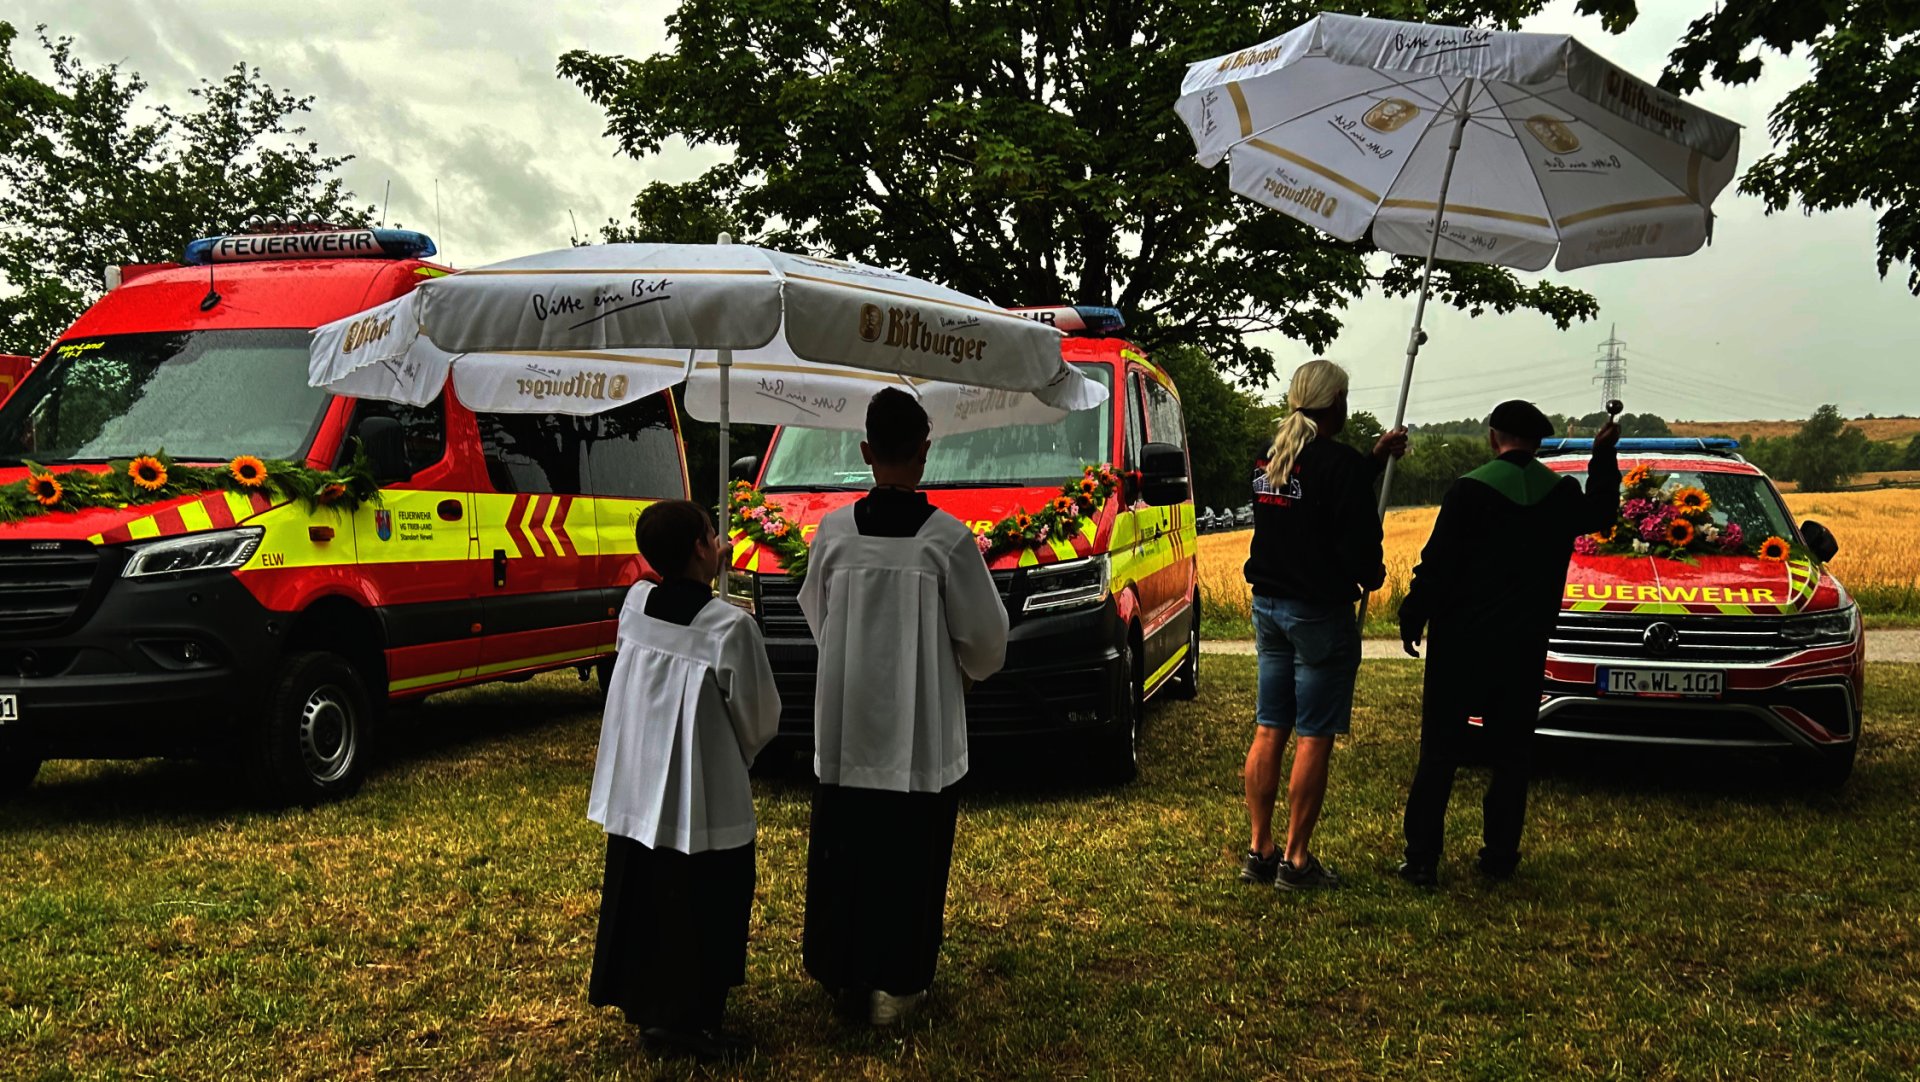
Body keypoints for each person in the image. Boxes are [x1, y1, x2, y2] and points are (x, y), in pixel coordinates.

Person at [798, 387, 1009, 1026]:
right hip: (919, 731)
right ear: (924, 451)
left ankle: (842, 971)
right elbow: (986, 638)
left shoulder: (833, 533)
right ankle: (898, 981)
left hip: (846, 722)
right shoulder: (946, 540)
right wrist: (962, 672)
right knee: (910, 856)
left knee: (846, 851)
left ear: (866, 452)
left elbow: (817, 615)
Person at [586, 499, 782, 1059]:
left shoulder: (636, 605)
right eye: (712, 534)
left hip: (637, 787)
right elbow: (760, 718)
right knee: (704, 901)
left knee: (647, 896)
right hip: (704, 795)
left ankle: (650, 1007)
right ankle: (692, 1021)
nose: (719, 541)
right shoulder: (730, 627)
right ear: (701, 547)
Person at [1396, 401, 1621, 886]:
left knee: (1440, 751)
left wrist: (1413, 615)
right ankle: (1499, 855)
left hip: (1460, 642)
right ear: (1538, 443)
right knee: (1512, 753)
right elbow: (1603, 510)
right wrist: (1603, 455)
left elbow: (1438, 565)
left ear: (1493, 437)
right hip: (1524, 641)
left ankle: (1422, 859)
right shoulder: (1560, 494)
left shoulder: (1469, 490)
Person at [1239, 359, 1407, 890]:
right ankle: (1296, 861)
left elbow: (1313, 497)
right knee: (1313, 735)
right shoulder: (1339, 464)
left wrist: (1372, 460)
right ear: (1336, 403)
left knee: (1270, 726)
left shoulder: (1270, 457)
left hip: (1268, 606)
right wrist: (1372, 574)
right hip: (1317, 613)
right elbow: (1354, 534)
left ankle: (1259, 849)